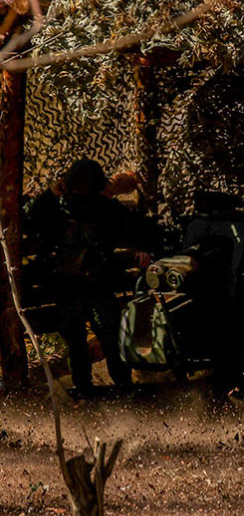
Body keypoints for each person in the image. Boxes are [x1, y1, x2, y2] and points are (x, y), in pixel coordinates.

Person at [23, 159, 156, 394]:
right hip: (67, 288)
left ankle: (123, 390)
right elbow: (25, 219)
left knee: (110, 338)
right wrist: (50, 195)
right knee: (77, 342)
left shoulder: (106, 210)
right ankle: (85, 392)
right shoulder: (57, 209)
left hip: (97, 286)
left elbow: (140, 229)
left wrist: (143, 249)